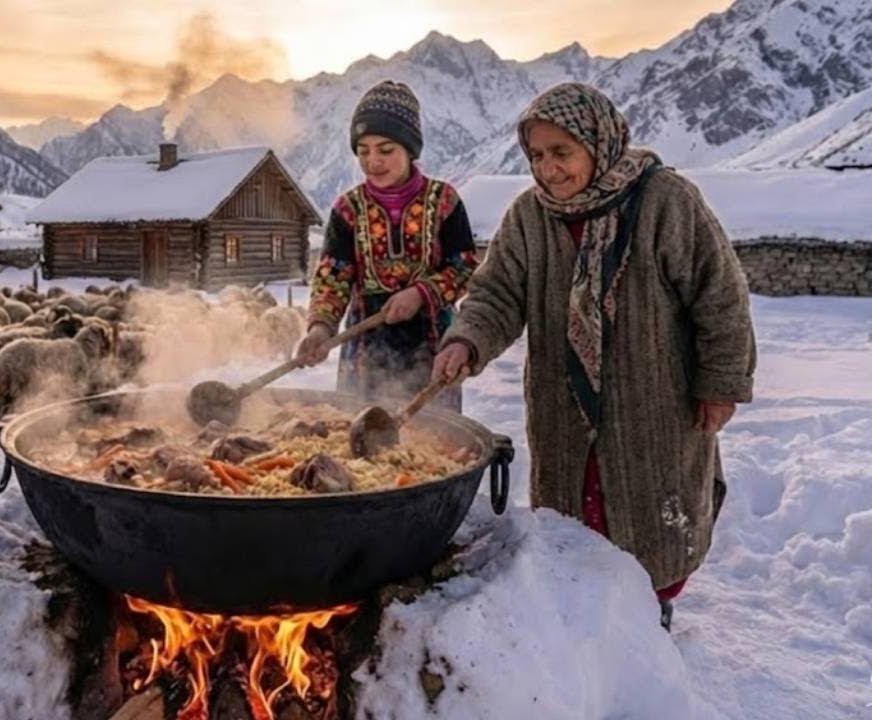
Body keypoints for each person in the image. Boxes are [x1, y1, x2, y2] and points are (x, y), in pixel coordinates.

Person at [432, 82, 756, 630]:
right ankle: (586, 630)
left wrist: (721, 381)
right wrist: (468, 339)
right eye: (536, 155)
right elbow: (497, 293)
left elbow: (718, 293)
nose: (548, 170)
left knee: (649, 514)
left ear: (598, 142)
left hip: (655, 404)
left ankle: (650, 620)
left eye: (562, 153)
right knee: (574, 520)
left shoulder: (664, 202)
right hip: (564, 405)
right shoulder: (529, 217)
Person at [296, 80, 477, 408]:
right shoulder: (347, 209)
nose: (372, 161)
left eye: (385, 149)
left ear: (410, 149)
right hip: (365, 351)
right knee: (361, 439)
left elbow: (464, 266)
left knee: (435, 443)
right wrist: (321, 328)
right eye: (363, 151)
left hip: (433, 347)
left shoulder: (444, 201)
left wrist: (421, 293)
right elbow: (332, 277)